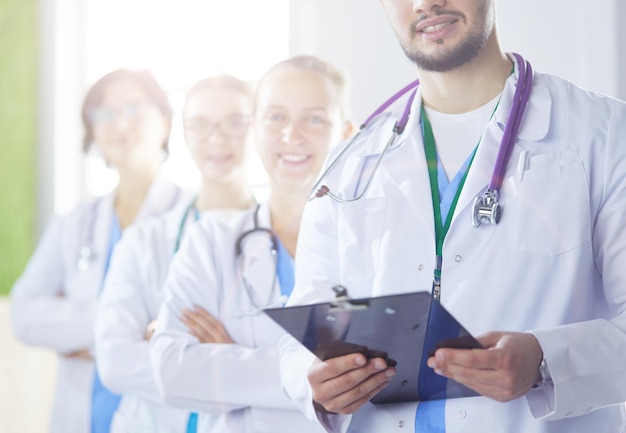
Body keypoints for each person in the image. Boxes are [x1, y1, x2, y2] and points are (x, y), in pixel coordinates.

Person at [278, 1, 626, 432]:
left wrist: (545, 359)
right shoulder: (350, 160)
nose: (425, 3)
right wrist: (315, 381)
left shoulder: (606, 134)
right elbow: (307, 323)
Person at [149, 55, 354, 433]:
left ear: (345, 132)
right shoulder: (210, 242)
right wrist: (312, 376)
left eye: (313, 118)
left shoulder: (371, 243)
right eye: (276, 117)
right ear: (255, 129)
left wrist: (232, 362)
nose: (292, 136)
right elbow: (172, 372)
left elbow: (387, 377)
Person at [10, 69, 188, 433]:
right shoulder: (74, 222)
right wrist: (125, 331)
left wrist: (78, 331)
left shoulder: (193, 216)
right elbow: (24, 315)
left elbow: (191, 327)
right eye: (104, 114)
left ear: (166, 122)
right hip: (80, 415)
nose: (119, 123)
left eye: (133, 108)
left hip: (161, 412)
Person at [93, 74, 256, 433]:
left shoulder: (281, 239)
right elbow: (115, 360)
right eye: (201, 125)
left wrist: (174, 350)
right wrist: (237, 363)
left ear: (257, 127)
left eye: (235, 122)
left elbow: (295, 366)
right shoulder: (143, 240)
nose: (217, 138)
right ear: (184, 135)